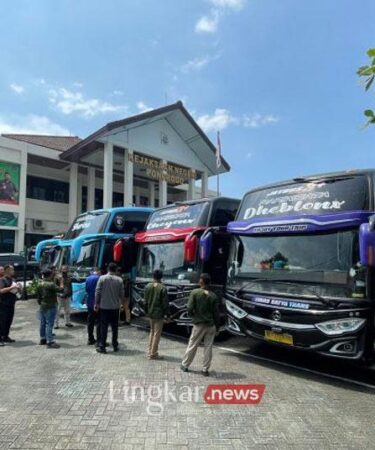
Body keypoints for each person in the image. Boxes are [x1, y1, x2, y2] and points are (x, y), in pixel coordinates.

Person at [181, 273, 220, 376]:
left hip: (199, 324)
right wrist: (218, 327)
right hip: (211, 325)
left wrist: (192, 316)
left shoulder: (195, 292)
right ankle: (205, 369)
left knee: (193, 345)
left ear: (201, 281)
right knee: (208, 347)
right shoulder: (213, 296)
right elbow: (216, 314)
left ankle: (185, 365)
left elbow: (189, 308)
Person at [95, 263, 124, 354]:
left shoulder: (102, 278)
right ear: (115, 270)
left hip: (104, 307)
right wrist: (121, 303)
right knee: (115, 327)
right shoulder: (119, 280)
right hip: (115, 308)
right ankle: (115, 345)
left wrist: (96, 303)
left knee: (104, 327)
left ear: (108, 269)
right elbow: (122, 294)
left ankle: (102, 346)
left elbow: (98, 292)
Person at [144, 269, 170, 360]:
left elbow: (145, 301)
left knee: (151, 332)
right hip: (159, 314)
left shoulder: (148, 286)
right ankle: (153, 354)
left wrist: (146, 312)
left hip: (150, 313)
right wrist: (167, 314)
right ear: (161, 277)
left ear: (153, 276)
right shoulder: (163, 288)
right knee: (156, 334)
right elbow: (165, 303)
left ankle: (150, 351)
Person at [36, 268, 61, 349]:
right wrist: (61, 282)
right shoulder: (51, 284)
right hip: (51, 305)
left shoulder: (40, 283)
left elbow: (38, 297)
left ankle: (42, 339)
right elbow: (61, 289)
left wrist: (41, 303)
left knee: (43, 323)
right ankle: (50, 341)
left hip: (43, 305)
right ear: (50, 275)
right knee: (49, 324)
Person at [0, 265, 20, 346]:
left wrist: (19, 288)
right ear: (7, 270)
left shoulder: (13, 279)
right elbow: (1, 290)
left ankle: (5, 336)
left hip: (11, 303)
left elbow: (15, 290)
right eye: (12, 269)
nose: (13, 271)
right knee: (2, 321)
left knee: (9, 320)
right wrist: (11, 287)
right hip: (3, 304)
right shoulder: (2, 280)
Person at [85, 267, 101, 345]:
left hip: (89, 301)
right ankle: (99, 340)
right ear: (98, 271)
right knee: (99, 321)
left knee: (90, 321)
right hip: (97, 302)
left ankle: (90, 339)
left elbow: (86, 290)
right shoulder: (99, 278)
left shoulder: (87, 278)